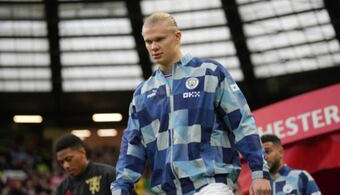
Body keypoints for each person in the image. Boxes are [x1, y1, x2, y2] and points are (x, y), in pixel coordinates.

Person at [111, 12, 271, 195]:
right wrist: (121, 187)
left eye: (160, 39)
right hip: (167, 190)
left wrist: (259, 172)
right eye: (148, 41)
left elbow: (242, 123)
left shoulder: (209, 73)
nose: (154, 46)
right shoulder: (143, 93)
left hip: (211, 184)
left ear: (177, 36)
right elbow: (133, 146)